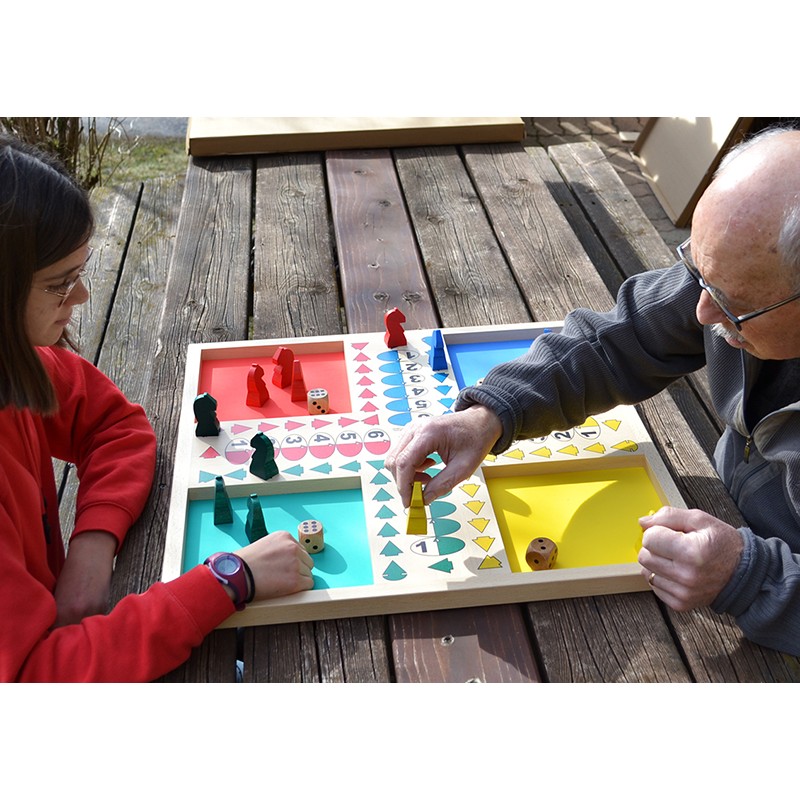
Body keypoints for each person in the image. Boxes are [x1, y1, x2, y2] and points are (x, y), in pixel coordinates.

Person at [386, 126, 800, 657]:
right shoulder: (739, 272)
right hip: (719, 516)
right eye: (698, 271)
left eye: (729, 300)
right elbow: (620, 339)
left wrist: (747, 576)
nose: (701, 312)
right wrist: (493, 411)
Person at [0, 134, 314, 682]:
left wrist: (92, 549)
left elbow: (114, 424)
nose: (80, 299)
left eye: (81, 273)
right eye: (59, 284)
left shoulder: (17, 364)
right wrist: (228, 579)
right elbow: (35, 678)